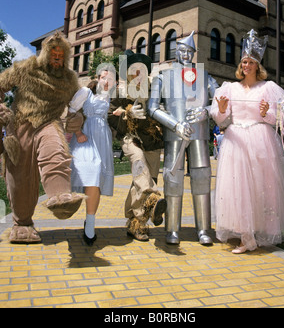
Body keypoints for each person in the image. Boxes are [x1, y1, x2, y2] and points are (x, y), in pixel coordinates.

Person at [211, 29, 284, 254]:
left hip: (260, 139)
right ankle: (245, 236)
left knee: (260, 187)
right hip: (236, 139)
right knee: (238, 188)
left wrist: (267, 112)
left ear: (258, 65)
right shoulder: (229, 88)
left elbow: (278, 119)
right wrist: (221, 110)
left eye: (251, 62)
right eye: (244, 62)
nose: (246, 65)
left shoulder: (267, 88)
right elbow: (221, 119)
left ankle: (258, 232)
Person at [0, 32, 84, 244]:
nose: (57, 57)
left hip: (49, 122)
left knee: (55, 149)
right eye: (53, 53)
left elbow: (78, 105)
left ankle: (60, 197)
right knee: (20, 178)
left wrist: (77, 118)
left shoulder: (70, 80)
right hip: (19, 124)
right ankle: (22, 223)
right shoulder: (27, 67)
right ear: (45, 54)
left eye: (61, 53)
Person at [148, 31, 219, 245]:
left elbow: (221, 101)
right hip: (174, 133)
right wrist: (175, 124)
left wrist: (206, 111)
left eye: (189, 51)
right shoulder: (164, 76)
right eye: (181, 51)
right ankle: (172, 229)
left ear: (194, 53)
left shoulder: (205, 76)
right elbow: (152, 108)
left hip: (199, 134)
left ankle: (204, 228)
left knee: (201, 177)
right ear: (175, 52)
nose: (185, 55)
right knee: (173, 178)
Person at [107, 50, 166, 242]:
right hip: (130, 139)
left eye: (141, 68)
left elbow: (163, 108)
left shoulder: (154, 88)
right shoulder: (120, 90)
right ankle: (153, 199)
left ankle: (136, 224)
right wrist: (126, 113)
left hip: (152, 141)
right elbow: (109, 115)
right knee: (140, 167)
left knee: (140, 183)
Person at [66, 65, 117, 246]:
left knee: (96, 181)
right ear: (97, 78)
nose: (107, 81)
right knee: (92, 174)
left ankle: (90, 223)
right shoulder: (85, 92)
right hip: (85, 138)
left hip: (103, 139)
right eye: (104, 77)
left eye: (110, 79)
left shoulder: (110, 97)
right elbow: (70, 113)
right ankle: (87, 221)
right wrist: (78, 132)